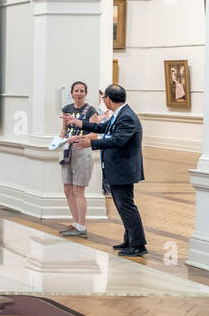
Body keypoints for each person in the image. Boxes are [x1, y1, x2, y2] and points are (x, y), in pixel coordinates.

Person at [65, 83, 147, 257]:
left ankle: (138, 245)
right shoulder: (120, 114)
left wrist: (91, 143)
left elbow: (117, 140)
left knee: (127, 206)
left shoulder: (127, 117)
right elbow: (102, 128)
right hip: (117, 169)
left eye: (104, 97)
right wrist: (78, 123)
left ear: (109, 99)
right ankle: (130, 240)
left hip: (123, 170)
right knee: (122, 206)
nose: (103, 100)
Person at [57, 81, 101, 237]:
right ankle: (75, 223)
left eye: (82, 91)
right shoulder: (67, 110)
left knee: (78, 189)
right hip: (67, 150)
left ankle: (81, 226)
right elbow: (64, 129)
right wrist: (60, 139)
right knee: (67, 189)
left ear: (86, 93)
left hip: (82, 150)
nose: (79, 93)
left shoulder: (91, 111)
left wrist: (78, 137)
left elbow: (94, 134)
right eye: (76, 90)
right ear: (71, 93)